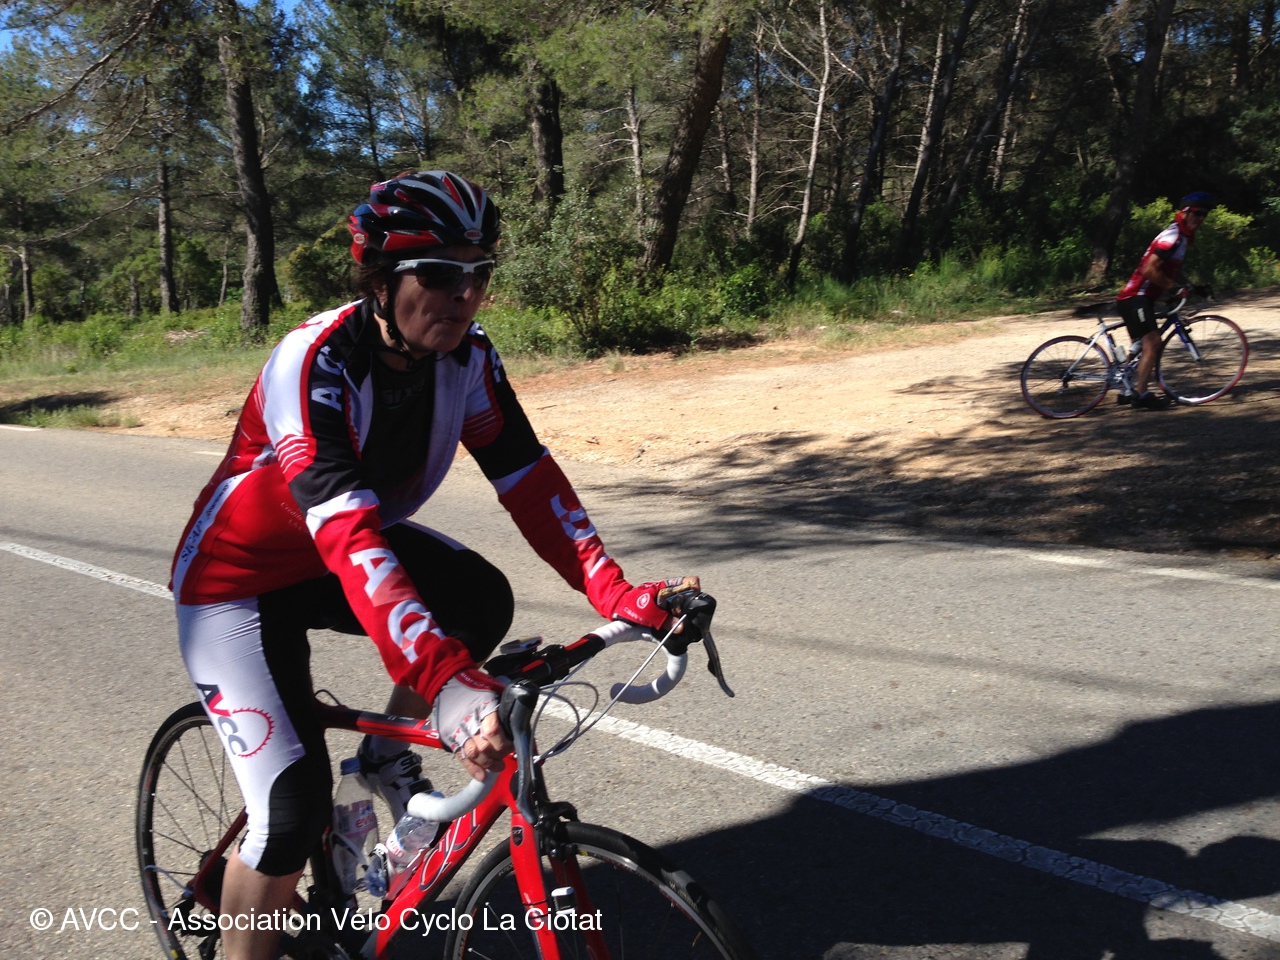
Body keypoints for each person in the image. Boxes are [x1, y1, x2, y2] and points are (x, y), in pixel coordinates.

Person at [170, 170, 699, 960]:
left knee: (478, 599)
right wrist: (446, 681)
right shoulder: (312, 363)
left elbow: (528, 478)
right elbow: (350, 537)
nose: (465, 293)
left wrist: (616, 591)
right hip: (237, 585)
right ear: (380, 281)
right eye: (441, 274)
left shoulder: (468, 359)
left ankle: (384, 760)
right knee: (290, 815)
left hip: (340, 552)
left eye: (479, 273)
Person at [1114, 191, 1216, 410]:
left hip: (1141, 298)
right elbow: (1149, 269)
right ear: (1185, 212)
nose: (1201, 218)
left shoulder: (1182, 238)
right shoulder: (1173, 236)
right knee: (1153, 343)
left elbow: (1172, 271)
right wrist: (1173, 288)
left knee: (1141, 346)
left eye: (1204, 215)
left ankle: (1126, 389)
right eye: (1197, 213)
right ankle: (1141, 394)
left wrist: (1192, 287)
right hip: (1136, 297)